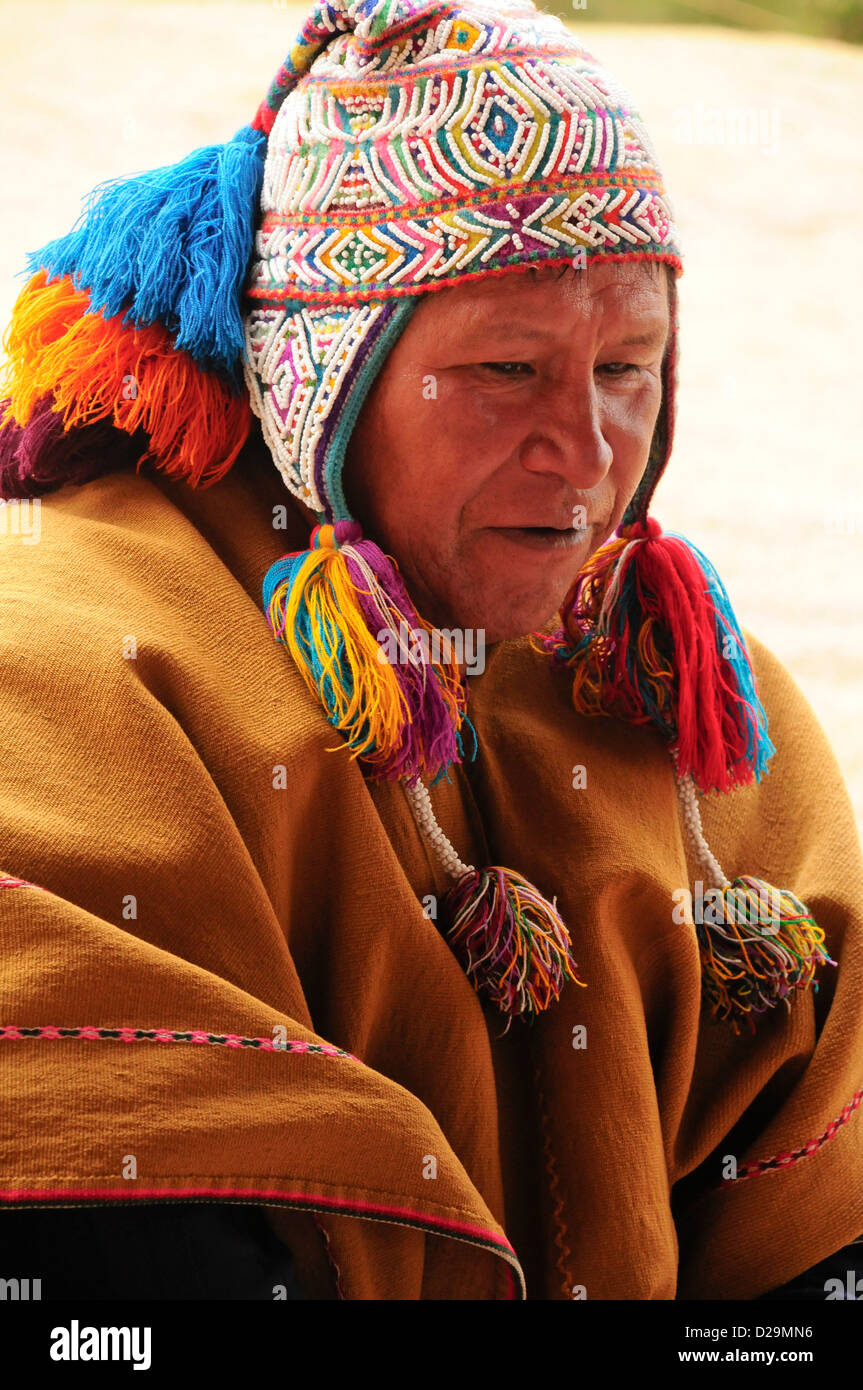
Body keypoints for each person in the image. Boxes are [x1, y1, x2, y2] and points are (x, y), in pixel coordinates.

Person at [0, 0, 861, 1301]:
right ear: (321, 381)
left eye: (629, 367)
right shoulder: (69, 654)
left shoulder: (681, 699)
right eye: (509, 368)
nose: (585, 453)